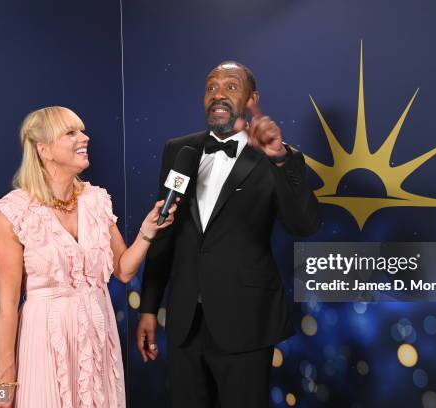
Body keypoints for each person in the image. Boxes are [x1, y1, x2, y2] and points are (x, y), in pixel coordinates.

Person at [137, 61, 321, 408]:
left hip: (246, 322)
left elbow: (304, 224)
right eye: (211, 87)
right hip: (185, 323)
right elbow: (164, 231)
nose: (218, 94)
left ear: (253, 98)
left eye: (231, 87)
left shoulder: (274, 153)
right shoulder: (179, 150)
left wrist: (281, 159)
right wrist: (149, 306)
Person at [0, 106, 177, 407]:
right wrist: (4, 379)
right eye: (71, 132)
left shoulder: (97, 200)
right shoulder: (12, 214)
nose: (85, 138)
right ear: (44, 150)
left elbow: (123, 271)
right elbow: (6, 307)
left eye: (82, 130)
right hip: (46, 341)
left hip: (98, 337)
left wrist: (147, 231)